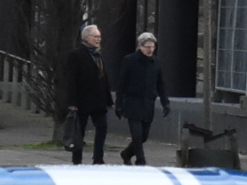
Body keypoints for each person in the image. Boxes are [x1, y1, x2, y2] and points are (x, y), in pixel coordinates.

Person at [112, 31, 170, 165]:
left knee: (143, 136)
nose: (150, 50)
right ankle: (141, 161)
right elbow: (121, 84)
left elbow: (160, 84)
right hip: (133, 102)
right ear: (140, 47)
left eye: (152, 47)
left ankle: (126, 153)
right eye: (147, 47)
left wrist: (165, 102)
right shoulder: (130, 60)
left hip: (148, 103)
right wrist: (119, 104)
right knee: (136, 135)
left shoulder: (156, 62)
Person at [61, 24, 110, 164]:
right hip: (82, 101)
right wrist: (72, 102)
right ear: (87, 38)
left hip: (99, 101)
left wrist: (108, 99)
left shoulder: (98, 54)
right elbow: (71, 79)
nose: (99, 39)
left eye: (100, 37)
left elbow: (104, 77)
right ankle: (77, 159)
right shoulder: (76, 55)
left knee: (102, 128)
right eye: (96, 37)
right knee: (79, 131)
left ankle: (98, 158)